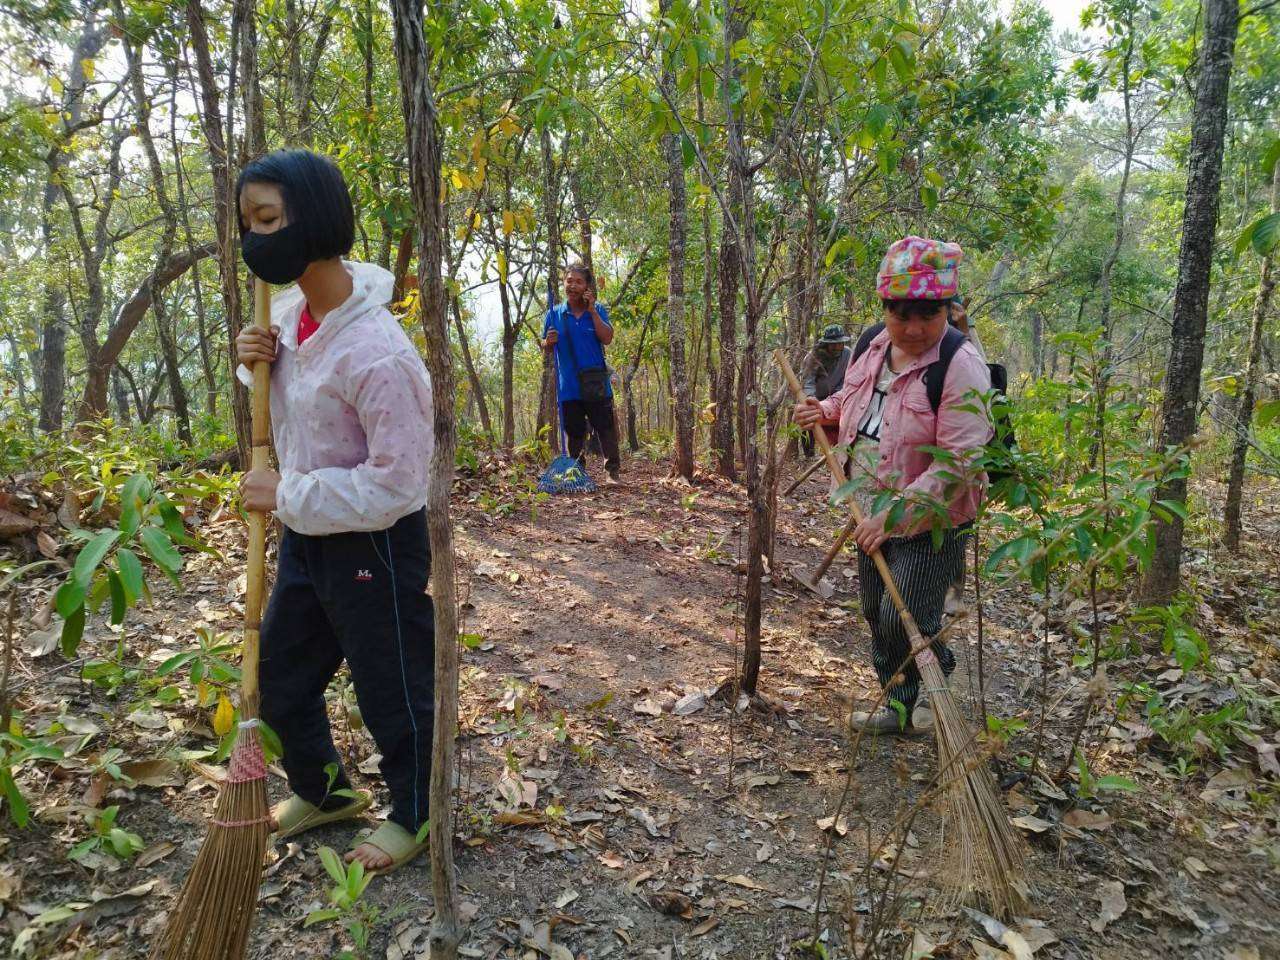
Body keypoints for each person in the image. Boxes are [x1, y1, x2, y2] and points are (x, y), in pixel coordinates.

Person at [234, 149, 435, 872]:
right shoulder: (290, 317)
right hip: (308, 540)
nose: (256, 241)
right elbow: (298, 400)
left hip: (373, 546)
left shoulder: (380, 352)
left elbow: (399, 483)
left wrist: (284, 495)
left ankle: (417, 812)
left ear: (314, 218)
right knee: (281, 679)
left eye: (269, 220)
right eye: (248, 224)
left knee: (394, 688)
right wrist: (253, 359)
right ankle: (324, 792)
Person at [794, 236, 993, 736]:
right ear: (884, 309)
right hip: (868, 505)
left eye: (927, 316)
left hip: (932, 517)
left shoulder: (961, 366)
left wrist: (897, 514)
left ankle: (935, 672)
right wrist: (824, 411)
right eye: (900, 315)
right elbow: (853, 399)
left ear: (947, 309)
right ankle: (900, 704)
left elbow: (960, 462)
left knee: (904, 608)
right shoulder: (872, 345)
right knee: (876, 611)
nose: (913, 328)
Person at [541, 262, 622, 483]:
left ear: (587, 286)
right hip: (569, 385)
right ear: (563, 284)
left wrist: (593, 310)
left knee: (605, 427)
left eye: (579, 281)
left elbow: (607, 337)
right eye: (569, 281)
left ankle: (611, 472)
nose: (573, 286)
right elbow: (545, 346)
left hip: (596, 382)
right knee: (574, 431)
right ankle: (577, 472)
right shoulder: (554, 313)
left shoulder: (598, 310)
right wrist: (547, 342)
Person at [800, 324, 852, 457]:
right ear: (826, 344)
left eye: (840, 344)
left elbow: (849, 375)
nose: (837, 348)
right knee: (809, 421)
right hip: (815, 395)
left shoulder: (847, 354)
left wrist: (839, 394)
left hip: (836, 395)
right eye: (834, 345)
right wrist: (811, 399)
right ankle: (809, 455)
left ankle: (837, 452)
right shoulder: (813, 357)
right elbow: (808, 381)